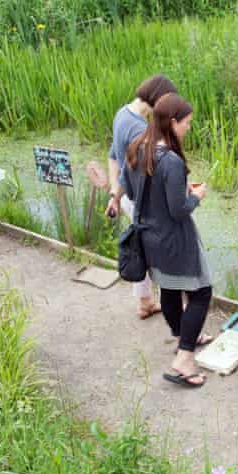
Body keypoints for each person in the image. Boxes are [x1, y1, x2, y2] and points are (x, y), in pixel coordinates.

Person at [122, 93, 212, 388]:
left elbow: (134, 194)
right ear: (172, 122)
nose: (188, 128)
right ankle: (184, 359)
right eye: (186, 123)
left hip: (150, 240)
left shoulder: (136, 147)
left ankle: (182, 336)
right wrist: (195, 196)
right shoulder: (171, 161)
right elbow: (178, 210)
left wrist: (178, 189)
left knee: (170, 290)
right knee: (201, 292)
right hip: (175, 241)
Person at [105, 74, 178, 320]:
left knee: (141, 246)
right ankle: (183, 321)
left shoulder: (121, 114)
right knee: (169, 254)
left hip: (126, 197)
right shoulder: (140, 128)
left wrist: (114, 194)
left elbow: (113, 156)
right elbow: (135, 172)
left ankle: (145, 302)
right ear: (157, 100)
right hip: (140, 200)